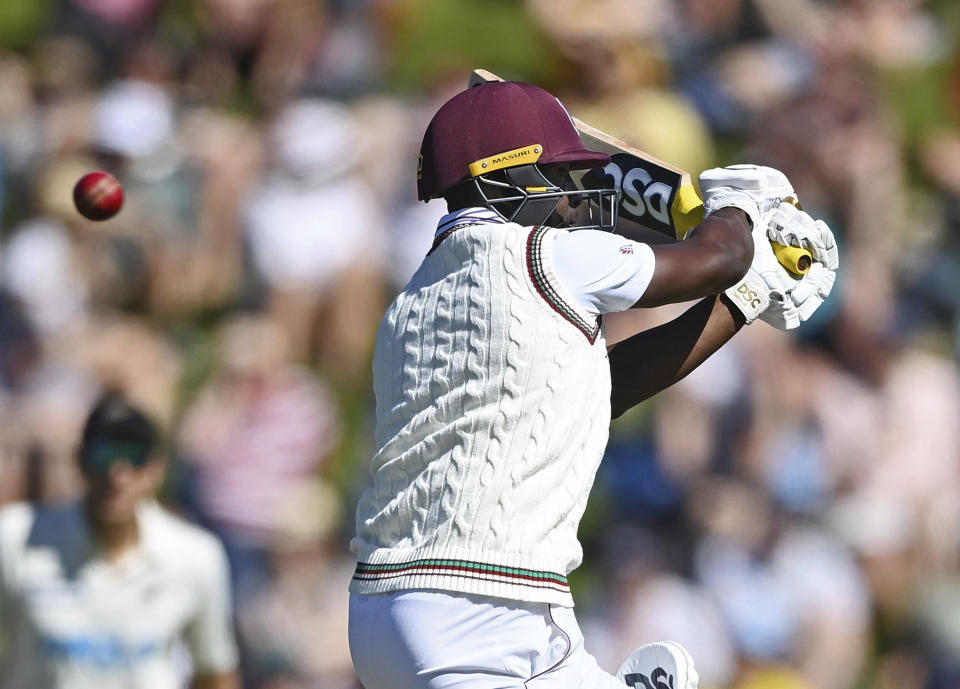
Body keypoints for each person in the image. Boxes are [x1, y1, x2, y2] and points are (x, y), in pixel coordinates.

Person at [347, 80, 838, 689]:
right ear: (512, 180)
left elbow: (603, 389)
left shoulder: (409, 306)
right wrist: (740, 209)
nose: (576, 202)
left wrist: (745, 299)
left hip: (400, 612)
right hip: (482, 610)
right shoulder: (541, 254)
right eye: (562, 180)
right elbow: (715, 260)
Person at [0, 393, 240, 689]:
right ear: (81, 461)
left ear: (156, 469)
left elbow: (214, 672)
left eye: (134, 457)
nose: (118, 475)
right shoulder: (16, 537)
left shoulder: (196, 555)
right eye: (104, 455)